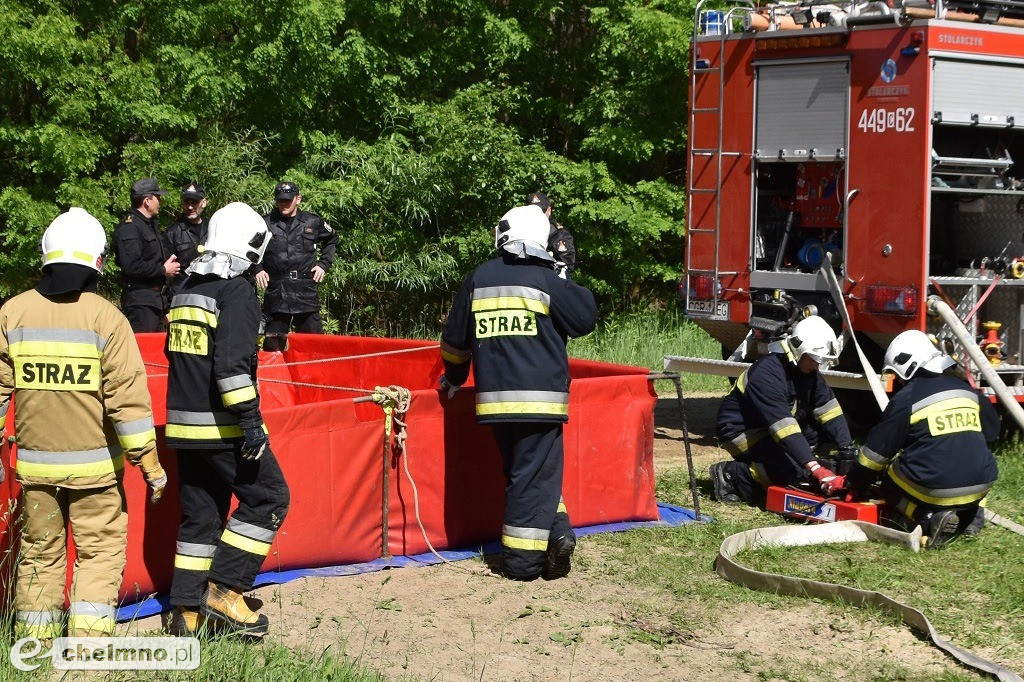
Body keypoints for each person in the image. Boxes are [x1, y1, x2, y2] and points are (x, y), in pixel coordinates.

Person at [0, 208, 166, 639]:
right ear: (98, 259)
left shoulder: (11, 314)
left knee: (39, 554)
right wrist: (149, 465)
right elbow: (127, 402)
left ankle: (34, 644)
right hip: (95, 476)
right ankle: (89, 647)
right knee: (99, 553)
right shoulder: (106, 318)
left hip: (35, 472)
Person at [439, 204, 597, 581]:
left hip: (495, 405)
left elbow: (453, 342)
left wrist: (455, 378)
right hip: (540, 404)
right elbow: (585, 317)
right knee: (533, 476)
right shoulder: (545, 281)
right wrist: (563, 275)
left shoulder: (480, 277)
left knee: (525, 476)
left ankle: (558, 534)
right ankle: (522, 564)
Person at [165, 202, 289, 637]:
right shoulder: (235, 292)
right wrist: (252, 422)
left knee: (200, 518)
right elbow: (232, 368)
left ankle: (185, 612)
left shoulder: (186, 287)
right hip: (221, 427)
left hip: (182, 428)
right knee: (269, 498)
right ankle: (225, 589)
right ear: (250, 245)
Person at [844, 330, 999, 549]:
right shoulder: (968, 390)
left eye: (896, 375)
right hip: (983, 482)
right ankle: (972, 516)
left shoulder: (906, 399)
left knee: (889, 478)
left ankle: (927, 517)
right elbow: (992, 432)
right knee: (974, 464)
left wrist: (853, 482)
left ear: (908, 366)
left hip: (937, 490)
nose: (897, 381)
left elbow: (875, 456)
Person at [710, 315, 856, 504]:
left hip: (772, 428)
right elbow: (783, 427)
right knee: (793, 471)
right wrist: (814, 467)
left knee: (817, 445)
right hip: (742, 432)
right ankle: (732, 475)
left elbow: (830, 412)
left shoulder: (809, 373)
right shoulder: (767, 373)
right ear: (798, 351)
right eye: (813, 358)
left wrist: (847, 450)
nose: (816, 364)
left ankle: (790, 465)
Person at [253, 181, 338, 349]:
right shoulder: (265, 223)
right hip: (277, 293)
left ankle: (310, 376)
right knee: (272, 349)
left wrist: (323, 264)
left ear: (298, 199)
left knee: (313, 347)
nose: (283, 204)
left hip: (305, 291)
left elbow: (332, 239)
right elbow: (250, 248)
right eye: (280, 200)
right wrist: (257, 268)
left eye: (288, 200)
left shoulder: (312, 222)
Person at [113, 177, 179, 332]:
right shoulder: (130, 228)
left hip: (155, 301)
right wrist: (163, 270)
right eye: (158, 197)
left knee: (156, 353)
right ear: (147, 200)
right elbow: (131, 266)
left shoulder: (149, 225)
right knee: (144, 352)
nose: (160, 202)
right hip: (140, 303)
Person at [166, 181, 210, 299]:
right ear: (181, 203)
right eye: (186, 202)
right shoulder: (172, 232)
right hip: (182, 293)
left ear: (203, 202)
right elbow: (166, 273)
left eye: (194, 202)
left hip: (209, 292)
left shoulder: (213, 228)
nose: (190, 207)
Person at [526, 191, 576, 274]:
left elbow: (565, 266)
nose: (537, 215)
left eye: (541, 211)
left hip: (546, 279)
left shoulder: (557, 233)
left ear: (549, 210)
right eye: (533, 211)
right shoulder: (520, 229)